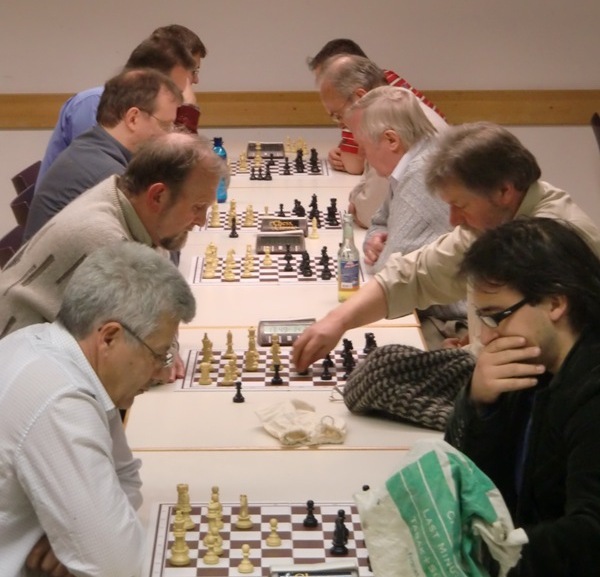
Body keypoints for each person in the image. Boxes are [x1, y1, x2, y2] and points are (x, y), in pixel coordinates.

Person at [292, 122, 600, 373]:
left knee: (379, 378)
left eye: (460, 205)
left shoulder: (552, 241)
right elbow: (417, 274)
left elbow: (536, 359)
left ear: (504, 190)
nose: (453, 220)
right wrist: (337, 321)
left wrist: (474, 354)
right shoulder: (493, 221)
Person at [0, 241, 196, 577]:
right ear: (109, 338)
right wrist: (84, 537)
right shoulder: (60, 399)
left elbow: (126, 478)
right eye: (158, 354)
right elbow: (118, 565)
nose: (159, 372)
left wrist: (74, 536)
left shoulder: (57, 353)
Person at [446, 217, 600, 576]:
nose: (486, 336)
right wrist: (478, 404)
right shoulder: (531, 365)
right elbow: (468, 483)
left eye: (496, 316)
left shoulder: (591, 391)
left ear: (555, 303)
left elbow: (590, 536)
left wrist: (487, 558)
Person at [0, 132, 223, 379]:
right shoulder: (105, 241)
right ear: (157, 196)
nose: (201, 221)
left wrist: (163, 348)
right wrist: (164, 355)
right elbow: (137, 363)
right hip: (14, 376)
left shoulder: (129, 206)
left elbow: (161, 316)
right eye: (197, 207)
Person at [24, 68, 182, 240]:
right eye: (165, 125)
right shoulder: (108, 176)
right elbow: (155, 247)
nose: (169, 136)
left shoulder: (91, 148)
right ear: (133, 119)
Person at [38, 25, 206, 180]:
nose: (195, 80)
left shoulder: (150, 111)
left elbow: (180, 173)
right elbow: (157, 178)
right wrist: (187, 112)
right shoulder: (93, 103)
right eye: (193, 71)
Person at [314, 54, 447, 228]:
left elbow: (369, 214)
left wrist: (357, 203)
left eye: (338, 115)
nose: (341, 124)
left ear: (360, 97)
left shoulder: (389, 124)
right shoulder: (397, 105)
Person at [345, 85, 450, 272]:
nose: (361, 154)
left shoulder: (421, 176)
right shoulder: (408, 163)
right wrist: (375, 241)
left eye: (364, 145)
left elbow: (392, 271)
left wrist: (383, 252)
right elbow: (379, 222)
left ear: (392, 140)